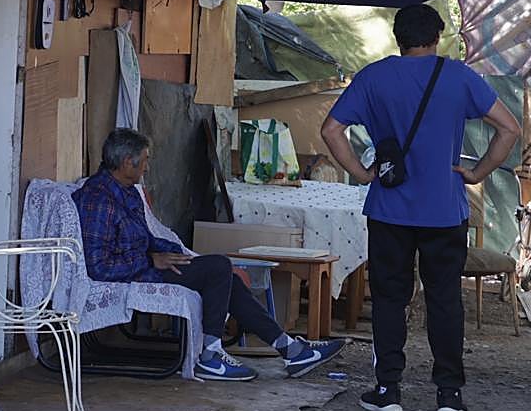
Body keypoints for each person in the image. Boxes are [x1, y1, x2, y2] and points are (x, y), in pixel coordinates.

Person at [320, 4, 520, 411]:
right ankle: (449, 394)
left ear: (398, 38)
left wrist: (361, 173)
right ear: (437, 37)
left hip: (389, 208)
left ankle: (387, 389)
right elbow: (509, 129)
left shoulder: (372, 77)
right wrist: (477, 173)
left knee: (389, 299)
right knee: (445, 300)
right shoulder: (459, 76)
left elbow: (331, 130)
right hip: (444, 209)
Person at [73, 128, 346, 381]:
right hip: (134, 274)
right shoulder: (98, 199)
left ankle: (291, 350)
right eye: (145, 160)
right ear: (127, 163)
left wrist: (175, 252)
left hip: (147, 266)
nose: (148, 166)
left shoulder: (126, 191)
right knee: (219, 267)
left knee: (226, 276)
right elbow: (97, 266)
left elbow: (143, 237)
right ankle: (210, 356)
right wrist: (150, 260)